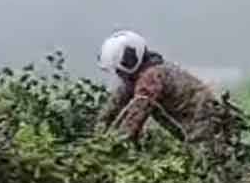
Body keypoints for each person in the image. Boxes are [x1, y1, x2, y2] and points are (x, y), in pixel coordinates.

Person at [96, 30, 235, 150]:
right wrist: (100, 125)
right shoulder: (136, 76)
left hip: (202, 116)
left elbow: (138, 111)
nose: (120, 74)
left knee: (205, 162)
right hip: (190, 119)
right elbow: (118, 99)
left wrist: (117, 143)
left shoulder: (151, 76)